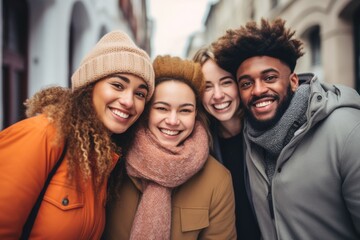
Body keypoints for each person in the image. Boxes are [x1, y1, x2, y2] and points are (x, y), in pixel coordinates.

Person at [211, 18, 360, 240]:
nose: (258, 90)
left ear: (292, 81)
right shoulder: (250, 142)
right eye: (246, 83)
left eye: (269, 78)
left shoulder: (347, 131)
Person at [0, 30, 154, 239]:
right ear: (89, 86)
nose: (129, 101)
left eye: (140, 94)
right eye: (118, 85)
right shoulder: (43, 134)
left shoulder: (104, 159)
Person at [103, 55, 236, 240]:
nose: (173, 121)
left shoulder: (217, 180)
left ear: (196, 114)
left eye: (185, 110)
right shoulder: (113, 161)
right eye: (162, 108)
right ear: (147, 111)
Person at [193, 47, 260, 239]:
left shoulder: (267, 134)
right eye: (207, 86)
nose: (218, 95)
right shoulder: (199, 147)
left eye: (226, 82)